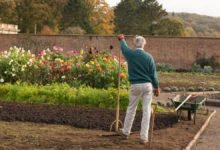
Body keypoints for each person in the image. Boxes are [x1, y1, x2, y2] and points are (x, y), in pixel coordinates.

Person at [118, 34, 160, 144]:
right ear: (144, 44)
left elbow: (124, 48)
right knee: (146, 110)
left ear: (134, 44)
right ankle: (143, 137)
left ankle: (126, 132)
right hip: (147, 86)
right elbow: (153, 75)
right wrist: (156, 87)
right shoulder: (149, 57)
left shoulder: (130, 54)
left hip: (135, 85)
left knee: (131, 108)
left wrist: (122, 39)